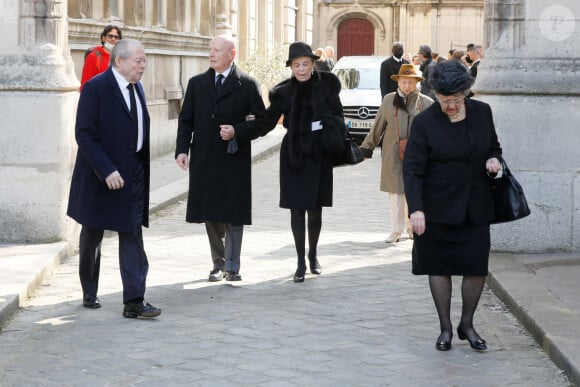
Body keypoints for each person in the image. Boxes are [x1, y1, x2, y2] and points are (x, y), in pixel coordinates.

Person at [403, 60, 502, 351]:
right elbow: (413, 169)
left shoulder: (483, 113)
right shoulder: (424, 123)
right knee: (439, 266)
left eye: (456, 99)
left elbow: (494, 146)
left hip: (475, 205)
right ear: (436, 95)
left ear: (466, 93)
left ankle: (467, 324)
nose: (451, 105)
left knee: (475, 267)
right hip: (437, 209)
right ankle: (445, 328)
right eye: (445, 100)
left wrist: (494, 160)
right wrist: (416, 209)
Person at [67, 39, 161, 319]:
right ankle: (89, 289)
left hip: (133, 171)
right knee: (93, 233)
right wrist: (106, 170)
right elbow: (84, 134)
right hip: (101, 174)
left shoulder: (137, 87)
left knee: (132, 231)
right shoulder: (96, 88)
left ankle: (134, 300)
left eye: (144, 60)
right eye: (138, 60)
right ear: (119, 62)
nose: (143, 65)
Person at [175, 35, 267, 282]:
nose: (211, 54)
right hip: (204, 158)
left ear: (231, 54)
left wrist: (238, 130)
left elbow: (262, 122)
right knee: (210, 211)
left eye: (217, 50)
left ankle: (233, 265)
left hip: (233, 157)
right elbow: (186, 121)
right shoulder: (197, 83)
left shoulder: (247, 84)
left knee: (233, 212)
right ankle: (218, 263)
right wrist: (182, 150)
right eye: (210, 50)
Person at [258, 42, 344, 283]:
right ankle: (299, 262)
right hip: (293, 156)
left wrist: (327, 127)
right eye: (297, 65)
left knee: (315, 211)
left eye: (306, 64)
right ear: (291, 67)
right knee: (297, 210)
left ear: (313, 64)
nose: (302, 69)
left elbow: (338, 115)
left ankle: (313, 254)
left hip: (318, 154)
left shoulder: (327, 86)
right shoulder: (282, 92)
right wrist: (241, 129)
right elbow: (266, 121)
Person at [359, 64, 433, 243]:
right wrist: (367, 147)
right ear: (398, 82)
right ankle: (396, 230)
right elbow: (378, 126)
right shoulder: (388, 100)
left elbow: (433, 131)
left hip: (418, 154)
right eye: (403, 81)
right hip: (392, 152)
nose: (406, 85)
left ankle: (412, 227)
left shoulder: (427, 103)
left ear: (417, 83)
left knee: (414, 191)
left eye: (410, 82)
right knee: (395, 193)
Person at [80, 25, 122, 90]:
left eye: (116, 37)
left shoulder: (121, 59)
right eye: (110, 36)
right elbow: (85, 84)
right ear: (103, 38)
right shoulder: (93, 56)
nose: (113, 39)